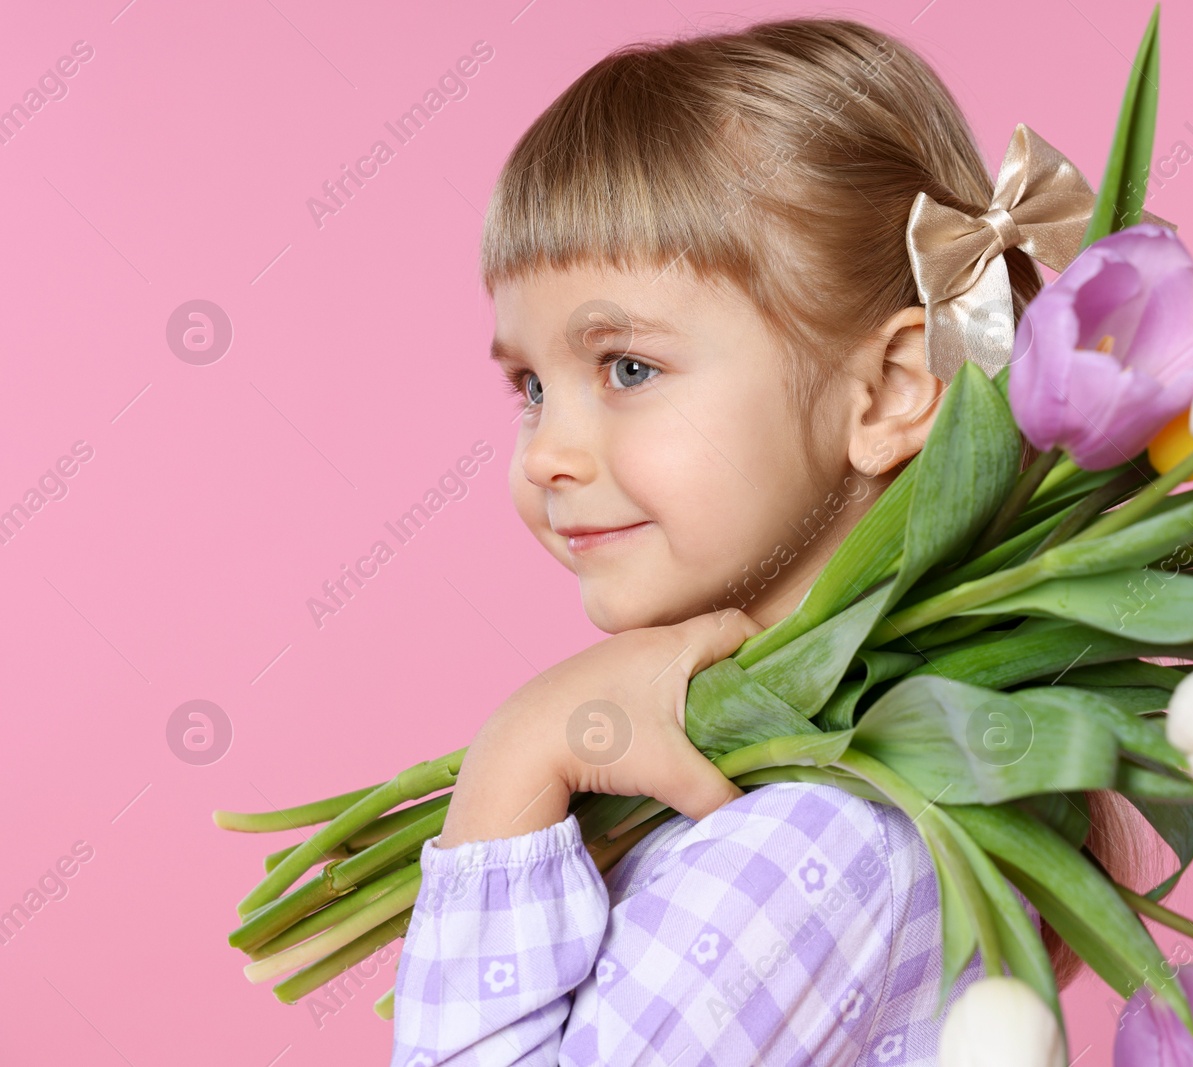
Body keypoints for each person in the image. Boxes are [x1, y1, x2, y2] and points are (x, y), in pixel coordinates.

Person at [389, 17, 1146, 1066]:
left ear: (885, 391)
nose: (547, 453)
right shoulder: (808, 796)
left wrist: (515, 760)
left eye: (627, 368)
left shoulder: (810, 843)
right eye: (530, 385)